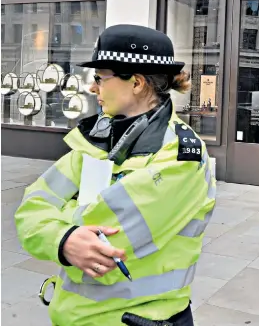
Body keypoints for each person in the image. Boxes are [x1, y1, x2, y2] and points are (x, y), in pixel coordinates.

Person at [15, 24, 216, 325]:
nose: (92, 88)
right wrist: (65, 238)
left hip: (139, 320)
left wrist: (60, 224)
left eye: (100, 78)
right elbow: (30, 209)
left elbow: (103, 245)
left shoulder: (179, 154)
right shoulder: (99, 138)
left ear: (136, 83)